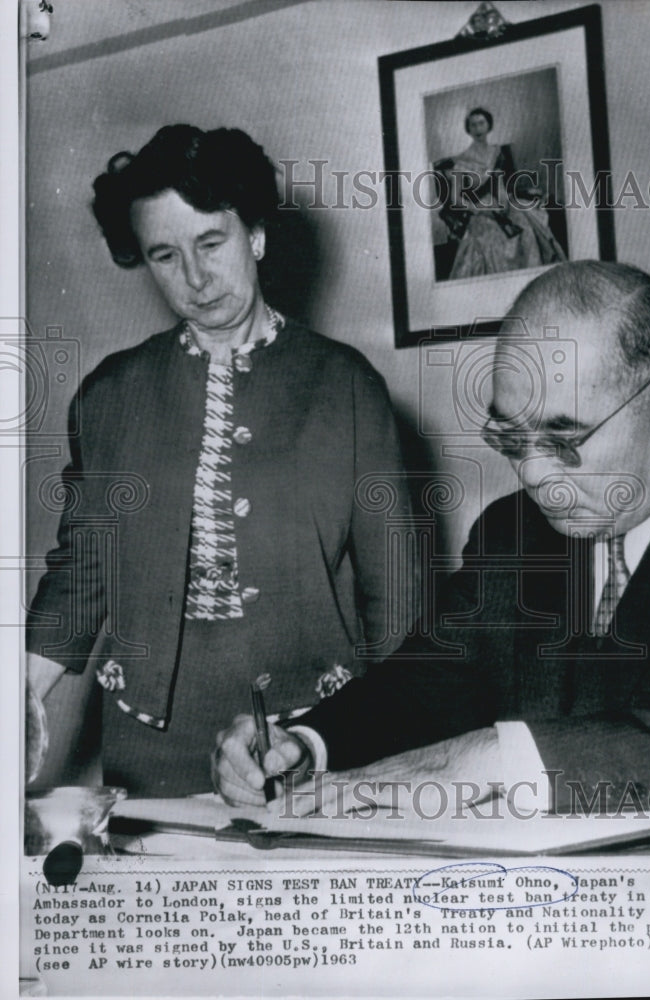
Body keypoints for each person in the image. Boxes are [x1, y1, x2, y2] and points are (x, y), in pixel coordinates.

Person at [214, 261, 650, 817]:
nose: (530, 475)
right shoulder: (515, 533)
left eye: (563, 437)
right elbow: (430, 681)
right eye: (510, 438)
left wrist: (494, 759)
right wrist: (306, 745)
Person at [26, 124, 414, 796]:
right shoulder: (111, 395)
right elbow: (85, 563)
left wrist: (387, 746)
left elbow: (397, 599)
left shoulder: (346, 386)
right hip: (151, 748)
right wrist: (23, 688)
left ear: (255, 235)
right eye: (164, 256)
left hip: (304, 740)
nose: (196, 279)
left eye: (211, 243)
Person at [435, 107, 566, 281]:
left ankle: (531, 280)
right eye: (473, 125)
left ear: (489, 126)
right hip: (480, 209)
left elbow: (503, 184)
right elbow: (456, 199)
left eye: (481, 123)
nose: (478, 129)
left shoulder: (497, 153)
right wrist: (482, 211)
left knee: (526, 229)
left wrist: (508, 202)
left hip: (504, 201)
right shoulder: (461, 161)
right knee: (490, 242)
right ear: (468, 130)